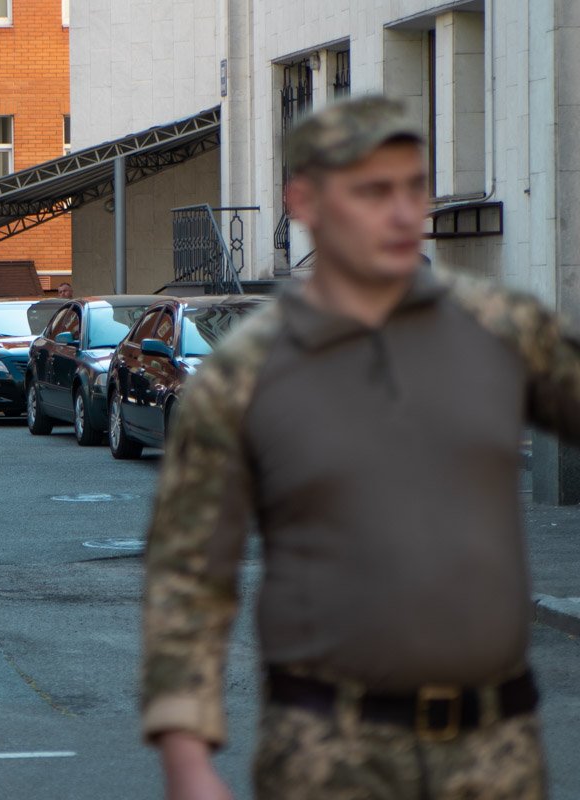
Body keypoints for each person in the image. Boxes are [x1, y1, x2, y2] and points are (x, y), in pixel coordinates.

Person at [143, 96, 567, 800]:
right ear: (303, 200)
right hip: (328, 756)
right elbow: (190, 571)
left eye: (414, 188)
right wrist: (186, 758)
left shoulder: (499, 329)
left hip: (497, 752)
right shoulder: (247, 373)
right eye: (374, 191)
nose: (404, 213)